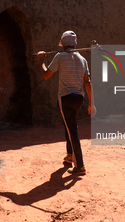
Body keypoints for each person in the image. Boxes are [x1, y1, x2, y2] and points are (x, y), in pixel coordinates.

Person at [37, 30, 96, 175]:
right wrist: (91, 103)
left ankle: (80, 165)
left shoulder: (60, 57)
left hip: (66, 98)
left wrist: (41, 61)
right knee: (69, 125)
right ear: (74, 43)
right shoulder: (83, 59)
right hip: (79, 99)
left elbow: (46, 75)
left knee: (72, 130)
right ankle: (70, 156)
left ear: (62, 44)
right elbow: (88, 83)